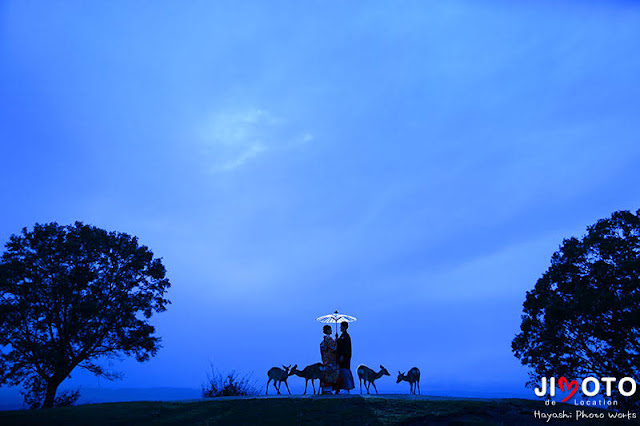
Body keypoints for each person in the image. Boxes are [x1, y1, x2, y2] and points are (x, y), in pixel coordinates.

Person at [335, 321, 355, 393]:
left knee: (344, 371)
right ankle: (340, 387)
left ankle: (346, 387)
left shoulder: (346, 336)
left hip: (344, 357)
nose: (340, 327)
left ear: (345, 327)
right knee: (341, 371)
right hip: (341, 357)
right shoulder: (343, 336)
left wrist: (343, 355)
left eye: (342, 326)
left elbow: (345, 348)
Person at [320, 324, 338, 394]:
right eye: (330, 329)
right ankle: (328, 389)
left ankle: (326, 389)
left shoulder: (325, 339)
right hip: (330, 359)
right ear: (327, 330)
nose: (331, 331)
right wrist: (336, 340)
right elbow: (334, 347)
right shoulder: (328, 339)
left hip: (326, 359)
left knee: (327, 373)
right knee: (330, 374)